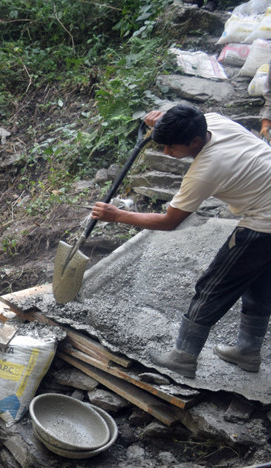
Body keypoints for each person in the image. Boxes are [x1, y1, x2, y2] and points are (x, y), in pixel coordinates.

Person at [92, 104, 271, 378]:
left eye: (171, 147)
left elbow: (169, 221)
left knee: (213, 285)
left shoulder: (206, 169)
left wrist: (118, 216)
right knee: (259, 283)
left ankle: (183, 358)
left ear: (196, 141)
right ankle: (247, 352)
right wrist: (162, 119)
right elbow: (186, 114)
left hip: (265, 223)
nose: (166, 153)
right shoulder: (212, 121)